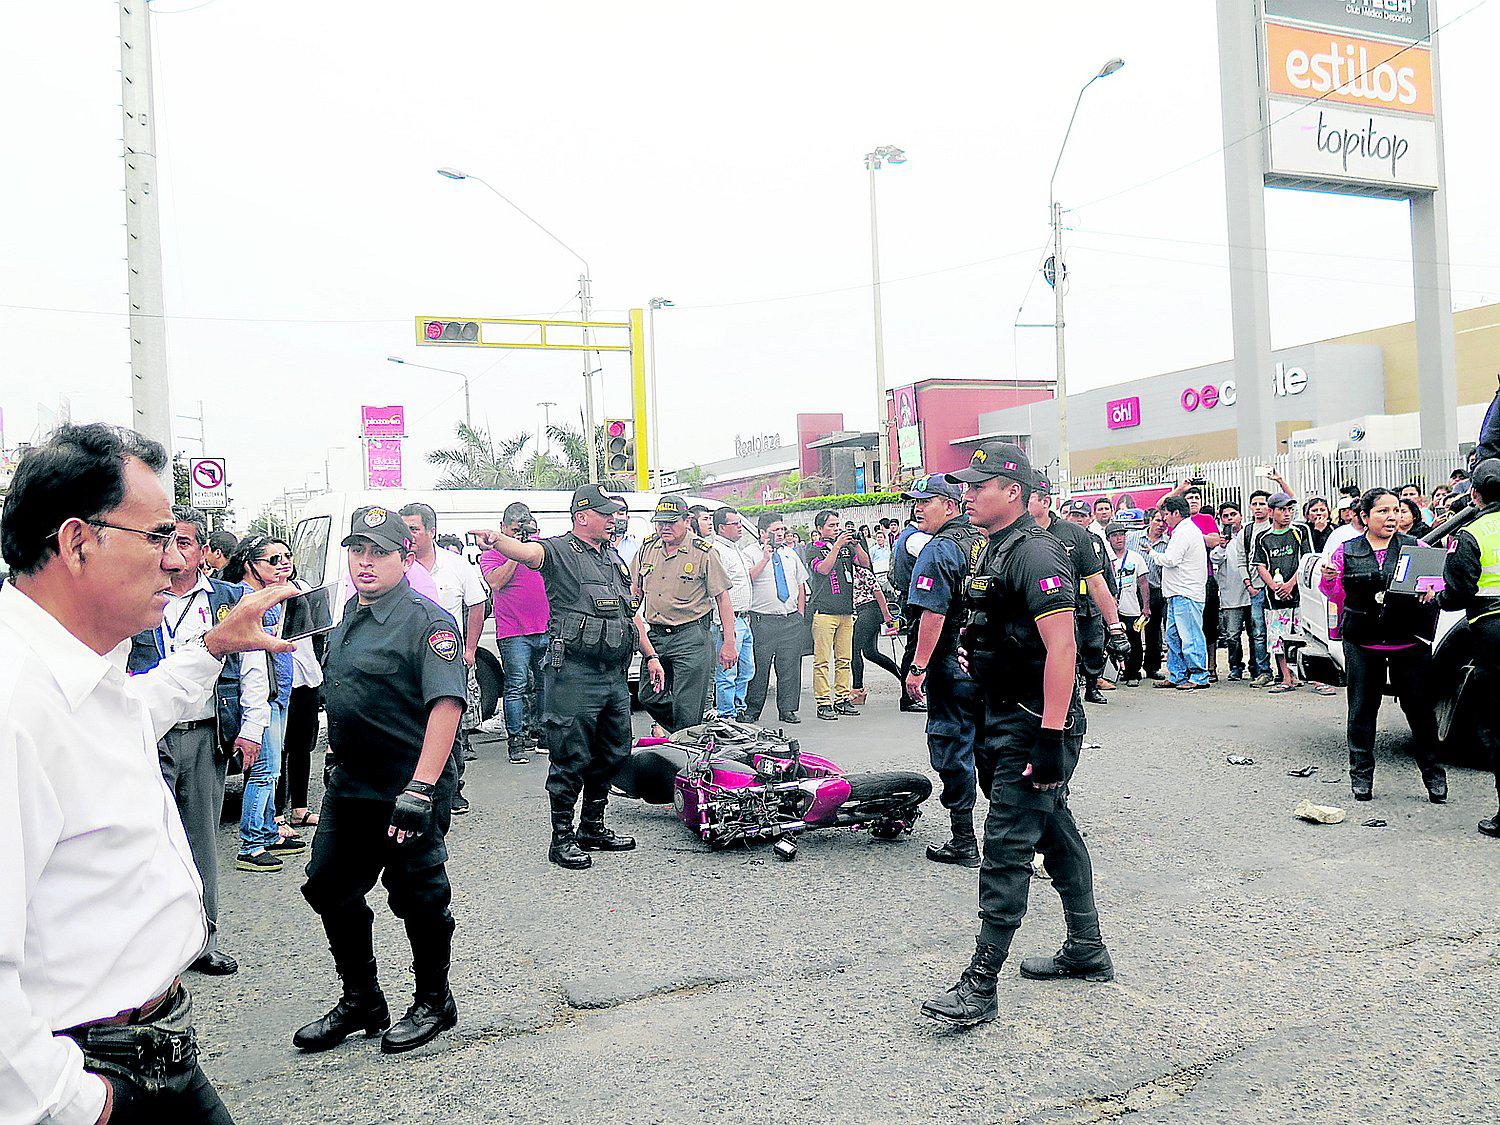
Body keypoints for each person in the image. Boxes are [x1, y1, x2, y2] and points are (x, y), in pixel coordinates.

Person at [1, 422, 293, 1123]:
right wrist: (78, 1103)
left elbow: (136, 712)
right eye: (159, 536)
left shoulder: (76, 669)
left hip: (150, 1049)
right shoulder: (14, 700)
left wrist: (212, 646)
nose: (178, 561)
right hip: (86, 1072)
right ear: (77, 543)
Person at [922, 443, 1112, 1029]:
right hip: (998, 713)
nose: (968, 495)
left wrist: (1051, 737)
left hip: (1033, 722)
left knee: (1006, 845)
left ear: (1014, 491)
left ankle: (980, 983)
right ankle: (1087, 948)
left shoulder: (1036, 552)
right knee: (1054, 831)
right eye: (966, 486)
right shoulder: (991, 547)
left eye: (980, 486)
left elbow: (1063, 647)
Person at [294, 505, 469, 1056]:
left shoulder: (428, 622)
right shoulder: (350, 611)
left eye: (379, 553)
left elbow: (446, 704)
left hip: (406, 785)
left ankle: (434, 1000)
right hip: (352, 783)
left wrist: (421, 789)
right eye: (357, 551)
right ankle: (363, 1000)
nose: (365, 562)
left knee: (419, 895)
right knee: (329, 885)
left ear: (405, 557)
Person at [123, 506, 270, 975]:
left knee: (201, 840)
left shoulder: (228, 599)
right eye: (165, 542)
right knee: (148, 840)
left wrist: (251, 729)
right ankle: (157, 947)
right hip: (151, 732)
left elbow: (252, 665)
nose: (173, 553)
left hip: (206, 732)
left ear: (203, 550)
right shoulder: (138, 596)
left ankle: (204, 938)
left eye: (184, 542)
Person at [472, 486, 650, 871]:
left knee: (613, 752)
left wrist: (650, 656)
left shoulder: (612, 558)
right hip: (574, 673)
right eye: (605, 514)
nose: (613, 519)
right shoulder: (558, 551)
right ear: (582, 516)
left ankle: (592, 827)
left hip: (613, 675)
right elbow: (528, 553)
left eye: (614, 514)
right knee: (571, 756)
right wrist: (498, 539)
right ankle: (562, 838)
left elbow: (628, 612)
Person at [1319, 488, 1447, 804]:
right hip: (1363, 642)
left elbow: (1437, 583)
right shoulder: (1346, 551)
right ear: (1365, 516)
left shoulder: (1416, 547)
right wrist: (1330, 578)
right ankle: (1361, 777)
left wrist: (1431, 589)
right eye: (1383, 511)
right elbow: (1333, 593)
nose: (1392, 517)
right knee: (1362, 712)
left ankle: (1434, 775)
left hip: (1408, 642)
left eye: (1396, 510)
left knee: (1420, 712)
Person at [901, 475, 987, 867]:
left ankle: (964, 840)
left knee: (952, 744)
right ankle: (1015, 836)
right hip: (987, 659)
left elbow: (932, 614)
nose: (918, 508)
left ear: (950, 506)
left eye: (927, 501)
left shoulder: (939, 549)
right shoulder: (983, 540)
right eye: (916, 501)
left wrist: (918, 666)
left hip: (951, 661)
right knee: (992, 745)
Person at [401, 503, 488, 815]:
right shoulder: (397, 565)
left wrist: (470, 649)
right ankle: (416, 787)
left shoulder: (456, 565)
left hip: (446, 660)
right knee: (412, 727)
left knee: (451, 729)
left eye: (414, 528)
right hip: (407, 663)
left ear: (431, 531)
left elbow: (477, 604)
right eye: (404, 528)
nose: (408, 535)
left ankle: (452, 790)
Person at [631, 495, 735, 732]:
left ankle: (686, 737)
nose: (664, 528)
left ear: (687, 521)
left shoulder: (703, 552)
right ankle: (686, 733)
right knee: (648, 695)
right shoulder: (648, 548)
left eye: (671, 522)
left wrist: (729, 642)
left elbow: (722, 598)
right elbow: (635, 591)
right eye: (660, 523)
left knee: (688, 706)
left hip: (691, 636)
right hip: (657, 635)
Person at [1438, 459, 1500, 837]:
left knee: (1497, 725)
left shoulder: (1471, 533)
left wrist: (1435, 596)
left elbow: (1457, 594)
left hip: (1493, 633)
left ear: (1474, 494)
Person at [1032, 484, 1128, 704]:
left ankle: (1090, 686)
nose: (1077, 519)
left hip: (1081, 605)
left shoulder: (1080, 537)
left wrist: (1114, 625)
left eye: (1081, 516)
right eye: (1073, 515)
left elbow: (1100, 577)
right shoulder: (1015, 531)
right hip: (1038, 613)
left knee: (1091, 646)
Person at [478, 502, 551, 764]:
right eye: (512, 530)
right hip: (513, 631)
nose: (518, 535)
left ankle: (542, 735)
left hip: (544, 628)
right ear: (502, 527)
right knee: (516, 686)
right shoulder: (492, 553)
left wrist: (527, 545)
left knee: (545, 685)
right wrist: (515, 551)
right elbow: (496, 582)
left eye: (522, 530)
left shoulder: (539, 548)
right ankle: (516, 741)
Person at [743, 514, 809, 724]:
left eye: (782, 529)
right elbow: (747, 580)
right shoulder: (750, 553)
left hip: (790, 619)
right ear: (762, 532)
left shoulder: (790, 553)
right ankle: (752, 709)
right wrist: (765, 558)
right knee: (759, 668)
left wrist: (800, 614)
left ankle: (787, 709)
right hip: (763, 620)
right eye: (775, 530)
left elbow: (800, 584)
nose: (780, 534)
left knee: (790, 667)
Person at [807, 510, 870, 721]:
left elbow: (865, 563)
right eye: (831, 526)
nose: (836, 529)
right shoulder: (813, 548)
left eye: (837, 525)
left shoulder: (846, 547)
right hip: (824, 612)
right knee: (822, 661)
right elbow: (823, 569)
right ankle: (823, 701)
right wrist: (836, 546)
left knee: (844, 659)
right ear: (820, 529)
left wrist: (856, 545)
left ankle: (842, 698)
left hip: (846, 610)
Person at [1148, 496, 1210, 690]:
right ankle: (1177, 675)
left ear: (1176, 513)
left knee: (1190, 636)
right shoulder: (1182, 531)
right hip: (1176, 593)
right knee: (1173, 636)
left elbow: (1171, 560)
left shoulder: (1185, 532)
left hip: (1186, 593)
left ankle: (1199, 676)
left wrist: (1152, 553)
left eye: (1166, 514)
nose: (1165, 518)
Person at [1253, 492, 1313, 694]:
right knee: (1278, 638)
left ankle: (1313, 678)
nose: (1287, 514)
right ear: (1271, 512)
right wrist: (1275, 587)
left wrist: (1290, 584)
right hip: (1274, 600)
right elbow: (1260, 565)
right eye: (1282, 510)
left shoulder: (1300, 531)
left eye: (1289, 509)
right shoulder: (1263, 537)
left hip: (1300, 596)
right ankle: (1286, 678)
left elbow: (1307, 560)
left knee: (1305, 636)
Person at [709, 507, 758, 718]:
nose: (740, 527)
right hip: (729, 620)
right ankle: (726, 714)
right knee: (728, 671)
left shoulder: (736, 549)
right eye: (735, 524)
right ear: (721, 528)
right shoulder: (717, 551)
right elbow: (717, 592)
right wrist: (723, 625)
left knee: (747, 669)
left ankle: (738, 708)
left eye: (740, 523)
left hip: (744, 618)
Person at [890, 513, 933, 713]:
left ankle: (912, 695)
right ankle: (910, 697)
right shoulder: (917, 538)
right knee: (917, 647)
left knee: (915, 646)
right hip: (917, 599)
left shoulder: (908, 535)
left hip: (911, 597)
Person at [850, 554, 899, 706]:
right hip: (865, 612)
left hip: (869, 610)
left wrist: (886, 615)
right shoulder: (846, 574)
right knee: (871, 653)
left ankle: (858, 689)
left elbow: (878, 592)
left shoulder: (862, 572)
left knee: (854, 650)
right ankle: (902, 675)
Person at [1239, 489, 1275, 685]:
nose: (1258, 507)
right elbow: (1241, 560)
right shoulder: (1246, 531)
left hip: (1277, 589)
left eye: (1262, 504)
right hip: (1257, 589)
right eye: (1255, 504)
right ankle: (1264, 671)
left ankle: (1287, 672)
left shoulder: (1276, 527)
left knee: (1283, 632)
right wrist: (1248, 584)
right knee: (1258, 633)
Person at [1106, 523, 1149, 685]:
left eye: (1122, 535)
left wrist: (1146, 606)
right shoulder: (1106, 559)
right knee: (1110, 641)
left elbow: (1143, 583)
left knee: (1134, 640)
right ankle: (1113, 673)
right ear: (1108, 539)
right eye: (1115, 535)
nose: (1119, 539)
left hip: (1131, 606)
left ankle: (1133, 673)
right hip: (1111, 608)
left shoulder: (1135, 558)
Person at [1215, 501, 1253, 681]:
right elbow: (1215, 560)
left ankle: (1256, 667)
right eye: (1226, 516)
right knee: (1232, 635)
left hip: (1252, 593)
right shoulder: (1220, 540)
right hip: (1230, 595)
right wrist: (1222, 546)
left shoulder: (1250, 534)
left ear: (1241, 516)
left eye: (1233, 515)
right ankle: (1236, 667)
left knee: (1256, 634)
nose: (1230, 519)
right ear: (1221, 519)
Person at [1131, 507, 1169, 681]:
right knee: (1133, 629)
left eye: (1164, 521)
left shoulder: (1168, 543)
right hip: (1133, 590)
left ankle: (1152, 667)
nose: (1161, 524)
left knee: (1154, 631)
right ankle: (1132, 668)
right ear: (1149, 520)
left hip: (1156, 590)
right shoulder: (1133, 538)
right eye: (1157, 520)